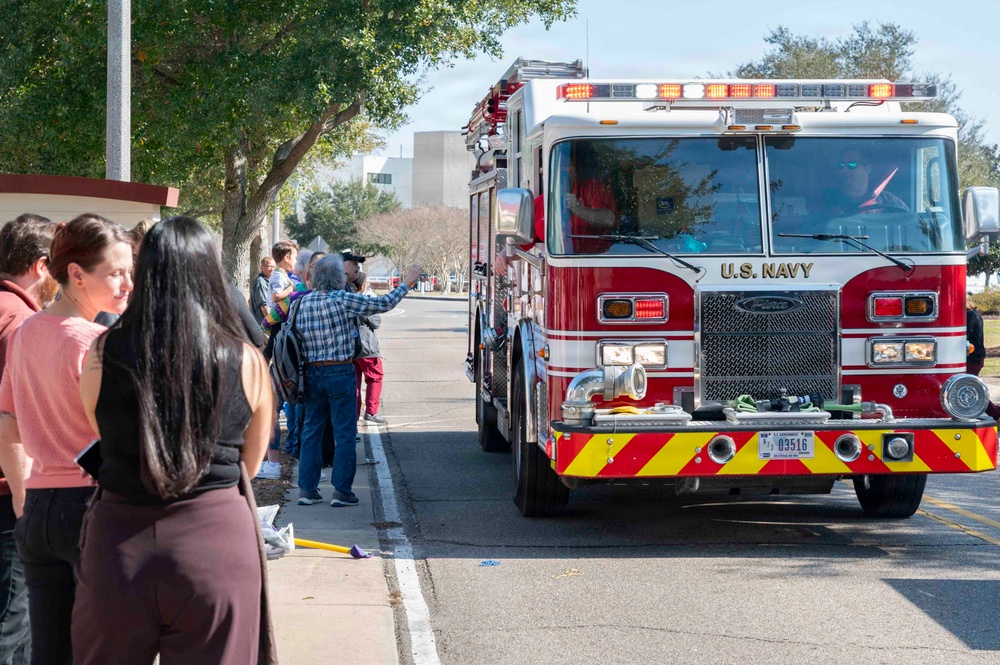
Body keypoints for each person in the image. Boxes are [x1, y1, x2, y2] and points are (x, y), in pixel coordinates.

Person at [72, 216, 274, 665]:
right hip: (216, 541)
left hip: (119, 541)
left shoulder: (103, 351)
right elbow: (252, 462)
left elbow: (101, 429)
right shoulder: (247, 359)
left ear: (145, 270)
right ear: (210, 272)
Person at [0, 214, 133, 665]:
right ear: (76, 274)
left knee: (49, 650)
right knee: (104, 649)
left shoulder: (26, 332)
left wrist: (26, 500)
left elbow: (8, 423)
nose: (128, 285)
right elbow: (121, 436)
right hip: (91, 507)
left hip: (38, 507)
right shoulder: (96, 342)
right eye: (115, 273)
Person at [295, 256, 420, 507]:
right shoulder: (342, 299)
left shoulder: (302, 302)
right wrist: (406, 283)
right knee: (344, 433)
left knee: (311, 432)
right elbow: (384, 303)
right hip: (340, 370)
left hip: (309, 374)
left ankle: (307, 490)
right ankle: (341, 491)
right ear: (336, 278)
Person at [0, 214, 58, 664]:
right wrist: (25, 507)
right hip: (8, 499)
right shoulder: (20, 323)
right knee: (12, 626)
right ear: (41, 266)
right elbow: (11, 424)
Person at [823, 149, 909, 215]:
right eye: (841, 166)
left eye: (852, 165)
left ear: (867, 168)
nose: (844, 170)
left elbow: (911, 222)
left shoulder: (888, 200)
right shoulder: (829, 201)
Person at [353, 270, 386, 424]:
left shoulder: (343, 298)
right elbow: (376, 322)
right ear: (363, 285)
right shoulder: (364, 301)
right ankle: (371, 411)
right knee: (375, 378)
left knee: (354, 383)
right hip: (367, 348)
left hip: (349, 348)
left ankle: (353, 414)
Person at [965, 305, 1000, 419]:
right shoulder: (973, 314)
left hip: (973, 357)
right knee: (970, 386)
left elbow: (964, 335)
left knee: (970, 387)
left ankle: (996, 413)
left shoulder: (971, 315)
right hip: (974, 357)